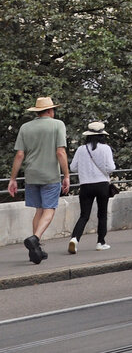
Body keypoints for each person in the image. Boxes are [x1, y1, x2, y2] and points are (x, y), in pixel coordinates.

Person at [7, 97, 70, 264]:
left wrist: (13, 179)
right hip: (50, 175)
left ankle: (36, 250)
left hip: (31, 175)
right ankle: (35, 239)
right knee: (49, 209)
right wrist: (67, 176)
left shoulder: (25, 127)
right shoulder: (58, 125)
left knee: (39, 210)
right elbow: (60, 152)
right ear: (50, 111)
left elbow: (20, 155)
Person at [68, 121, 116, 253]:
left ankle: (74, 239)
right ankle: (101, 242)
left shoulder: (81, 149)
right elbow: (111, 168)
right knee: (102, 214)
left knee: (84, 215)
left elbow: (72, 168)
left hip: (85, 186)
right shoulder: (106, 148)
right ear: (102, 135)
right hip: (102, 185)